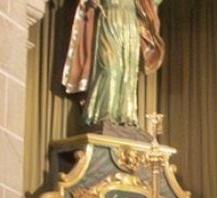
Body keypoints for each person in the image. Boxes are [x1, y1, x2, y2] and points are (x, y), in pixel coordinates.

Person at [61, 0, 164, 128]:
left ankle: (126, 115)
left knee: (129, 71)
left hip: (131, 20)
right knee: (109, 69)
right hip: (109, 14)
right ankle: (103, 113)